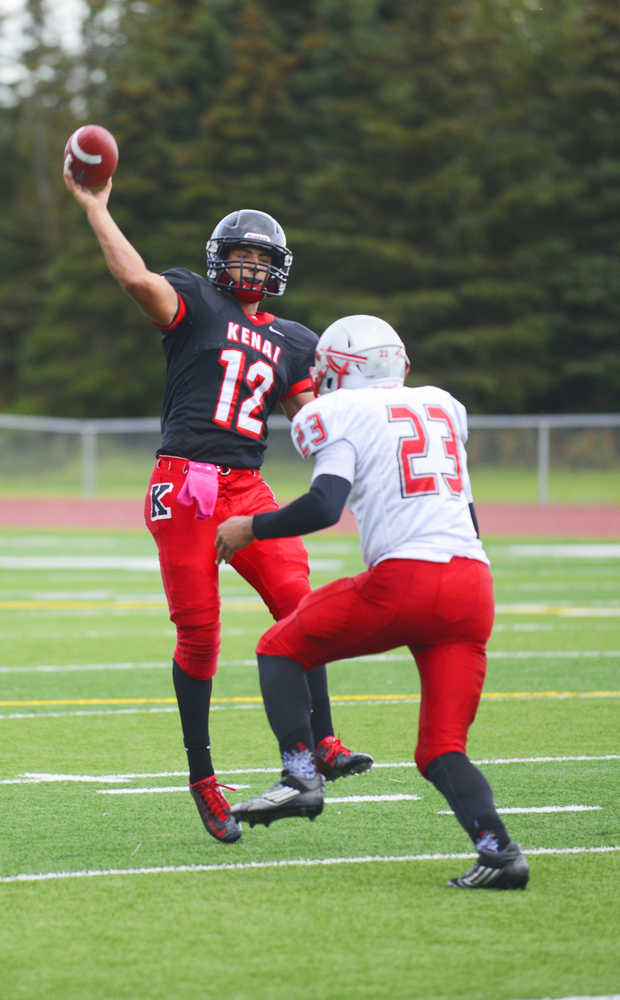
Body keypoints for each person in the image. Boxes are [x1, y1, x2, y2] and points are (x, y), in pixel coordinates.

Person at [63, 170, 373, 845]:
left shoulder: (294, 339)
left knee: (303, 606)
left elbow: (315, 419)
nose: (252, 267)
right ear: (219, 259)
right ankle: (203, 778)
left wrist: (372, 413)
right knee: (201, 635)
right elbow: (137, 282)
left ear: (279, 269)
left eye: (263, 259)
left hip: (248, 486)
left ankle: (322, 744)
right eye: (242, 255)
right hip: (186, 484)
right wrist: (95, 207)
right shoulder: (196, 300)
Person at [215, 314, 530, 890]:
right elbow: (468, 513)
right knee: (440, 749)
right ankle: (500, 853)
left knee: (279, 647)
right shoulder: (441, 405)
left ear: (340, 370)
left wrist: (250, 528)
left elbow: (324, 505)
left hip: (409, 579)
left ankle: (301, 773)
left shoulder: (340, 412)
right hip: (471, 585)